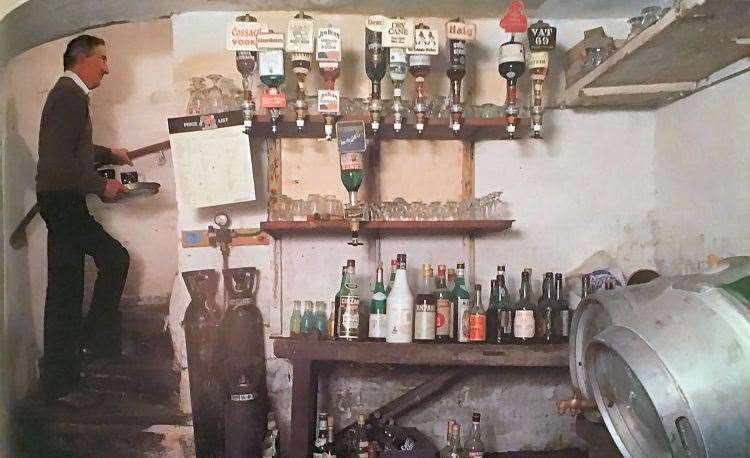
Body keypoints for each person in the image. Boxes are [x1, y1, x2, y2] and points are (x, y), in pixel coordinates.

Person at [36, 34, 132, 405]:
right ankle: (70, 372)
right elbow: (60, 162)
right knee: (76, 284)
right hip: (63, 201)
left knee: (75, 283)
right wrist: (99, 185)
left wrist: (111, 153)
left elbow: (72, 147)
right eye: (102, 59)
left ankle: (78, 359)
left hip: (61, 201)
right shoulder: (69, 95)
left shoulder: (69, 95)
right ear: (82, 60)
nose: (107, 67)